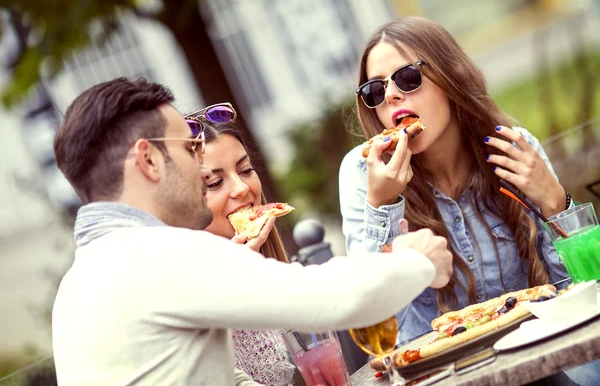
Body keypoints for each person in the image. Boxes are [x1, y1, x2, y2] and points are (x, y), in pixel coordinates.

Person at [51, 77, 453, 386]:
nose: (199, 163)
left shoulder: (78, 284)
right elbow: (328, 299)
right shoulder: (155, 254)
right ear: (149, 160)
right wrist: (417, 260)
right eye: (191, 149)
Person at [339, 16, 571, 345]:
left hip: (545, 350)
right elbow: (378, 327)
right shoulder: (364, 172)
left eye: (407, 77)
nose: (391, 95)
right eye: (375, 89)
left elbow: (582, 289)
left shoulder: (515, 150)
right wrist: (381, 206)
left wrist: (558, 206)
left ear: (450, 76)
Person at [201, 119, 294, 385]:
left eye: (245, 170)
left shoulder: (262, 270)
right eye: (215, 182)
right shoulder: (188, 293)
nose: (242, 188)